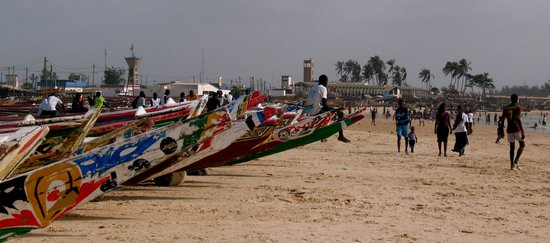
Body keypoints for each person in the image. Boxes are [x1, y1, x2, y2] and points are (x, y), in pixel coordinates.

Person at [306, 74, 350, 143]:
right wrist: (337, 109)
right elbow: (325, 105)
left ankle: (323, 136)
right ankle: (340, 136)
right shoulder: (323, 88)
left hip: (309, 112)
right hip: (315, 112)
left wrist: (333, 109)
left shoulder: (313, 88)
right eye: (327, 82)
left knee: (329, 111)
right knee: (340, 113)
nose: (327, 83)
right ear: (325, 81)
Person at [500, 94, 525, 170]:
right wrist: (523, 131)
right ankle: (516, 162)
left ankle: (511, 165)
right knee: (522, 145)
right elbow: (518, 119)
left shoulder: (506, 108)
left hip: (509, 129)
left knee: (512, 147)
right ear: (517, 99)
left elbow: (502, 119)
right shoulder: (517, 107)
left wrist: (501, 130)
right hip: (516, 128)